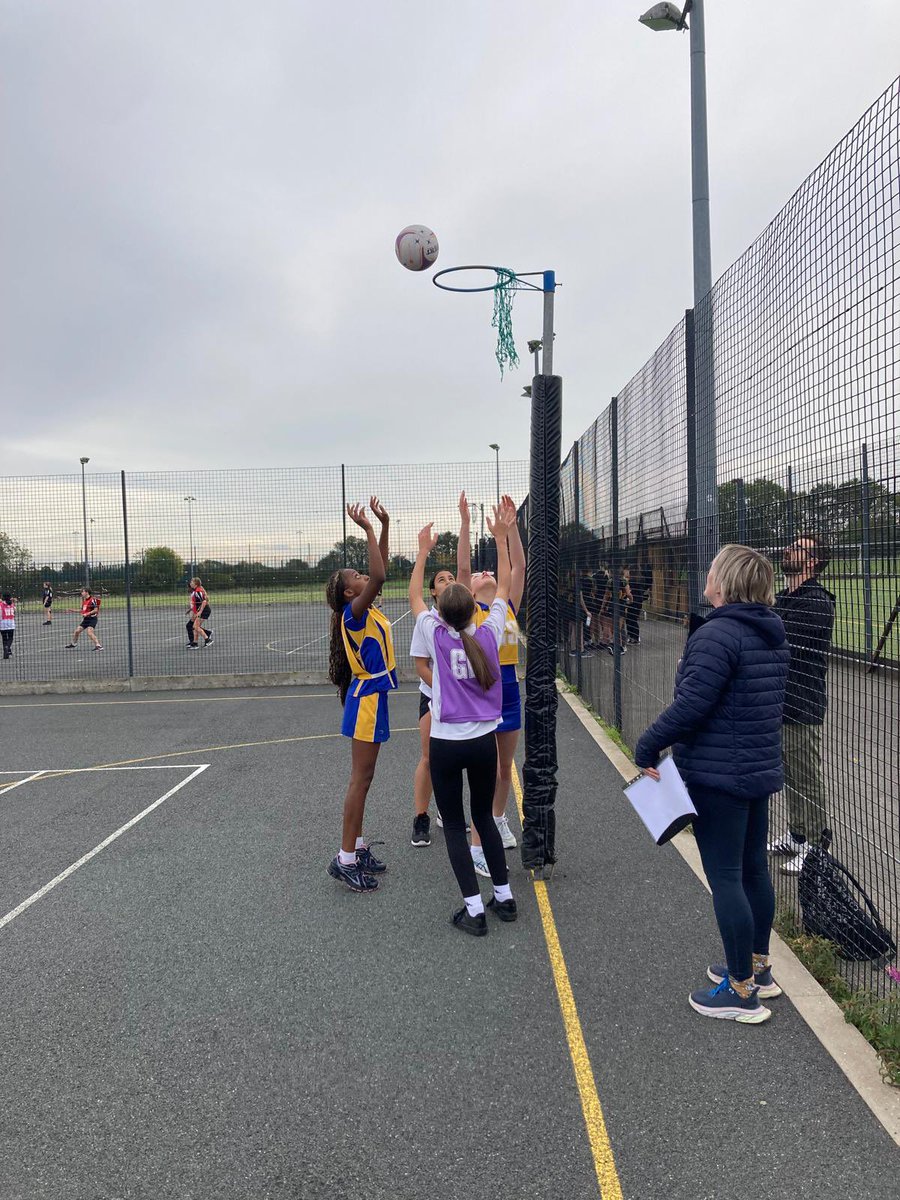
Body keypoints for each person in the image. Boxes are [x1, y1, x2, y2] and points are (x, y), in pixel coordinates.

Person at [635, 545, 789, 1024]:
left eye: (713, 568)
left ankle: (742, 993)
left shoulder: (717, 634)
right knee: (752, 870)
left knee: (725, 876)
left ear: (725, 581)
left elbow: (691, 707)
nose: (707, 573)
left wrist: (647, 745)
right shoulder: (769, 631)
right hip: (756, 769)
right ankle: (758, 967)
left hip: (717, 773)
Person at [409, 506, 517, 935]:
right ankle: (504, 899)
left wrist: (422, 552)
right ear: (476, 608)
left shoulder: (435, 632)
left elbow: (416, 596)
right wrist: (504, 536)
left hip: (447, 743)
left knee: (454, 825)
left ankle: (473, 909)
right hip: (483, 741)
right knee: (484, 819)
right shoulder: (489, 629)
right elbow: (505, 583)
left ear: (440, 612)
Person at [325, 498, 395, 893]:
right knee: (360, 780)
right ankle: (345, 858)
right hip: (366, 701)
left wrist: (383, 526)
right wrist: (367, 530)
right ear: (350, 590)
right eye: (357, 574)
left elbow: (378, 568)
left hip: (372, 697)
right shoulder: (354, 612)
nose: (364, 575)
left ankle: (358, 846)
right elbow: (380, 576)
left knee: (364, 780)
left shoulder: (363, 608)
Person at [457, 493, 525, 876]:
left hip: (510, 689)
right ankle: (478, 844)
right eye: (482, 574)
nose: (486, 573)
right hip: (481, 693)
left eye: (490, 572)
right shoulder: (471, 611)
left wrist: (512, 528)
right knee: (486, 770)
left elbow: (519, 567)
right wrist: (467, 523)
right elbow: (464, 568)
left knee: (504, 768)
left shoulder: (507, 607)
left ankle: (497, 818)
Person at [770, 535, 835, 875]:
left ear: (811, 562)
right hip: (780, 702)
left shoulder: (817, 602)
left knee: (806, 777)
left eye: (797, 547)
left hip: (802, 704)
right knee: (790, 776)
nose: (788, 550)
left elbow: (780, 640)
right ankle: (797, 836)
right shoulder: (783, 598)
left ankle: (816, 847)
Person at [408, 563, 456, 847]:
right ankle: (421, 817)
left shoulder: (465, 617)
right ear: (433, 592)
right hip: (433, 696)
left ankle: (447, 812)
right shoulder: (427, 621)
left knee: (458, 758)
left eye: (452, 578)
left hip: (460, 701)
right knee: (429, 757)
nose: (448, 581)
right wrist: (444, 688)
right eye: (441, 579)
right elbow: (420, 665)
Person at [626, 561, 651, 644]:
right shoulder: (641, 579)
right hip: (639, 601)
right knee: (634, 619)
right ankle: (635, 637)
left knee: (629, 619)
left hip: (632, 601)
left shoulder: (631, 580)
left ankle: (632, 636)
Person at [186, 577, 214, 649]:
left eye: (192, 582)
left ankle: (207, 639)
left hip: (204, 610)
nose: (190, 583)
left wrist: (200, 612)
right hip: (201, 610)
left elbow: (204, 601)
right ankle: (195, 643)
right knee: (195, 627)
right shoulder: (196, 591)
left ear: (196, 583)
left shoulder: (198, 591)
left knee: (195, 626)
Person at [0, 593, 16, 659]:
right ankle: (8, 648)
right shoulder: (12, 604)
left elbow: (0, 614)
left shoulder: (1, 605)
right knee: (10, 637)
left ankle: (6, 651)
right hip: (11, 622)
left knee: (4, 638)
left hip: (3, 623)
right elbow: (14, 611)